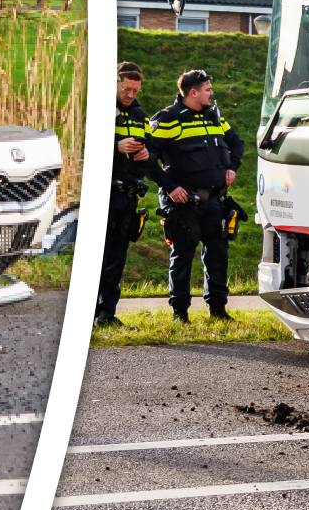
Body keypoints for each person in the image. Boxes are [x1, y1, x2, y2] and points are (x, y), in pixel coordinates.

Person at [146, 68, 244, 322]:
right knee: (182, 257)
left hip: (214, 201)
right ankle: (180, 313)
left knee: (218, 255)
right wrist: (170, 187)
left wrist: (232, 167)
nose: (212, 93)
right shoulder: (168, 119)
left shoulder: (214, 116)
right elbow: (147, 159)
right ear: (193, 92)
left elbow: (237, 143)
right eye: (208, 90)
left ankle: (218, 311)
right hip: (183, 204)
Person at [98, 61, 157, 327]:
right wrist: (115, 146)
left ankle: (107, 314)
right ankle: (91, 311)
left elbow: (152, 152)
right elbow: (85, 143)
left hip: (128, 197)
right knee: (100, 256)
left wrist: (146, 154)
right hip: (106, 194)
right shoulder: (101, 109)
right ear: (116, 83)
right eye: (126, 90)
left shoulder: (141, 116)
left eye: (135, 91)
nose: (131, 95)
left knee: (117, 258)